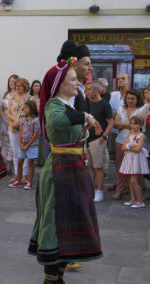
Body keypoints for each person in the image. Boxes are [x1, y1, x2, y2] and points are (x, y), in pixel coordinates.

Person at [28, 59, 102, 284]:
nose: (77, 81)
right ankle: (52, 277)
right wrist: (86, 117)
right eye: (72, 79)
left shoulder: (69, 105)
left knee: (70, 217)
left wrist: (84, 123)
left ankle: (60, 269)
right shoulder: (54, 105)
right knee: (54, 219)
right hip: (60, 169)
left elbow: (79, 131)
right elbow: (58, 120)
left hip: (74, 169)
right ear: (60, 84)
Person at [112, 89, 146, 200]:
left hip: (137, 142)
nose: (130, 100)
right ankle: (120, 190)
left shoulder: (143, 108)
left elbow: (140, 124)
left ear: (137, 99)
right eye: (128, 98)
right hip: (121, 141)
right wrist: (130, 124)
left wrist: (121, 124)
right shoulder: (121, 108)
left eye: (132, 99)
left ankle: (138, 194)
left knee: (137, 169)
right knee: (120, 168)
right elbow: (115, 124)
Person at [86, 81, 113, 203]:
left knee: (98, 168)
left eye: (89, 89)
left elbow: (110, 123)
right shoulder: (88, 103)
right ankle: (91, 191)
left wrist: (104, 137)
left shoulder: (104, 104)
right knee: (90, 167)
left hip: (98, 140)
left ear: (96, 90)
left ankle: (99, 191)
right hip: (87, 139)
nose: (87, 92)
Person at [119, 116, 149, 208]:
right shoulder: (130, 136)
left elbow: (138, 149)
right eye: (131, 123)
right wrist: (130, 146)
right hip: (129, 160)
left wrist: (129, 148)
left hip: (136, 160)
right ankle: (133, 199)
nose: (133, 125)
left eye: (135, 123)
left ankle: (140, 201)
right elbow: (123, 147)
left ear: (141, 125)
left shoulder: (142, 136)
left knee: (134, 181)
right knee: (130, 181)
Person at [10, 101, 39, 190]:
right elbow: (20, 131)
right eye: (24, 108)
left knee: (31, 164)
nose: (24, 109)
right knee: (19, 163)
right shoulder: (23, 119)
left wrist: (27, 145)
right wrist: (20, 143)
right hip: (22, 145)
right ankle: (19, 180)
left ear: (32, 108)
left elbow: (35, 135)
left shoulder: (36, 120)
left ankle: (29, 182)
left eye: (26, 108)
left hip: (32, 146)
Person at [57, 40, 92, 112]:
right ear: (74, 66)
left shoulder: (80, 89)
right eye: (86, 64)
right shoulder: (68, 90)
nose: (91, 68)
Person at [8, 77, 30, 186]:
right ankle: (17, 174)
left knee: (24, 150)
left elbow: (31, 112)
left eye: (19, 86)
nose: (17, 87)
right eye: (16, 86)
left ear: (25, 86)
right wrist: (15, 120)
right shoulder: (12, 98)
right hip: (13, 126)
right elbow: (8, 113)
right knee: (15, 151)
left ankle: (25, 174)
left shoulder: (29, 98)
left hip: (25, 127)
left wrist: (21, 120)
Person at [0, 75, 18, 174]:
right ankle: (6, 164)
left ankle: (10, 166)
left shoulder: (19, 94)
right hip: (5, 123)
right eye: (10, 81)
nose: (12, 83)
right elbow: (1, 109)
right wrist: (3, 118)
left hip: (14, 124)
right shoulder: (6, 94)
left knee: (12, 144)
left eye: (14, 81)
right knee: (5, 144)